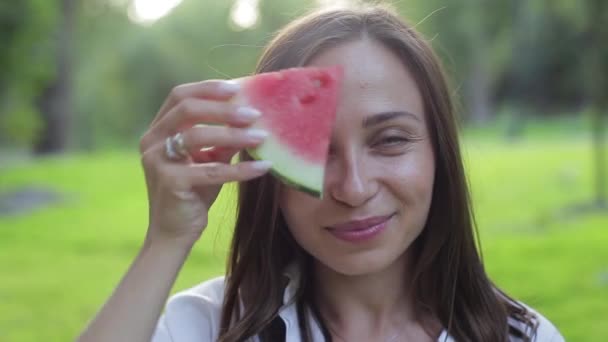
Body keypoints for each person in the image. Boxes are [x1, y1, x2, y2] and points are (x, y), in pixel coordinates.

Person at [78, 3, 565, 342]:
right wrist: (166, 238)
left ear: (439, 154)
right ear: (267, 172)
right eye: (315, 151)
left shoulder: (525, 337)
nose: (353, 188)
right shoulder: (208, 327)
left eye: (390, 140)